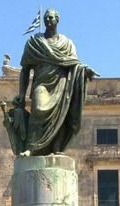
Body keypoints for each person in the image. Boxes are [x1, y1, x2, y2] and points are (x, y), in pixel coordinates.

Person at [11, 8, 98, 156]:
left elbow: (75, 64)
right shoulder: (34, 42)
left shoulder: (67, 43)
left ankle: (56, 148)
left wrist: (85, 70)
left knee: (61, 114)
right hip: (42, 83)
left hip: (61, 84)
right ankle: (30, 147)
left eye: (51, 18)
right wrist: (22, 93)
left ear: (57, 19)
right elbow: (25, 69)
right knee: (38, 109)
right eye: (46, 18)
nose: (48, 21)